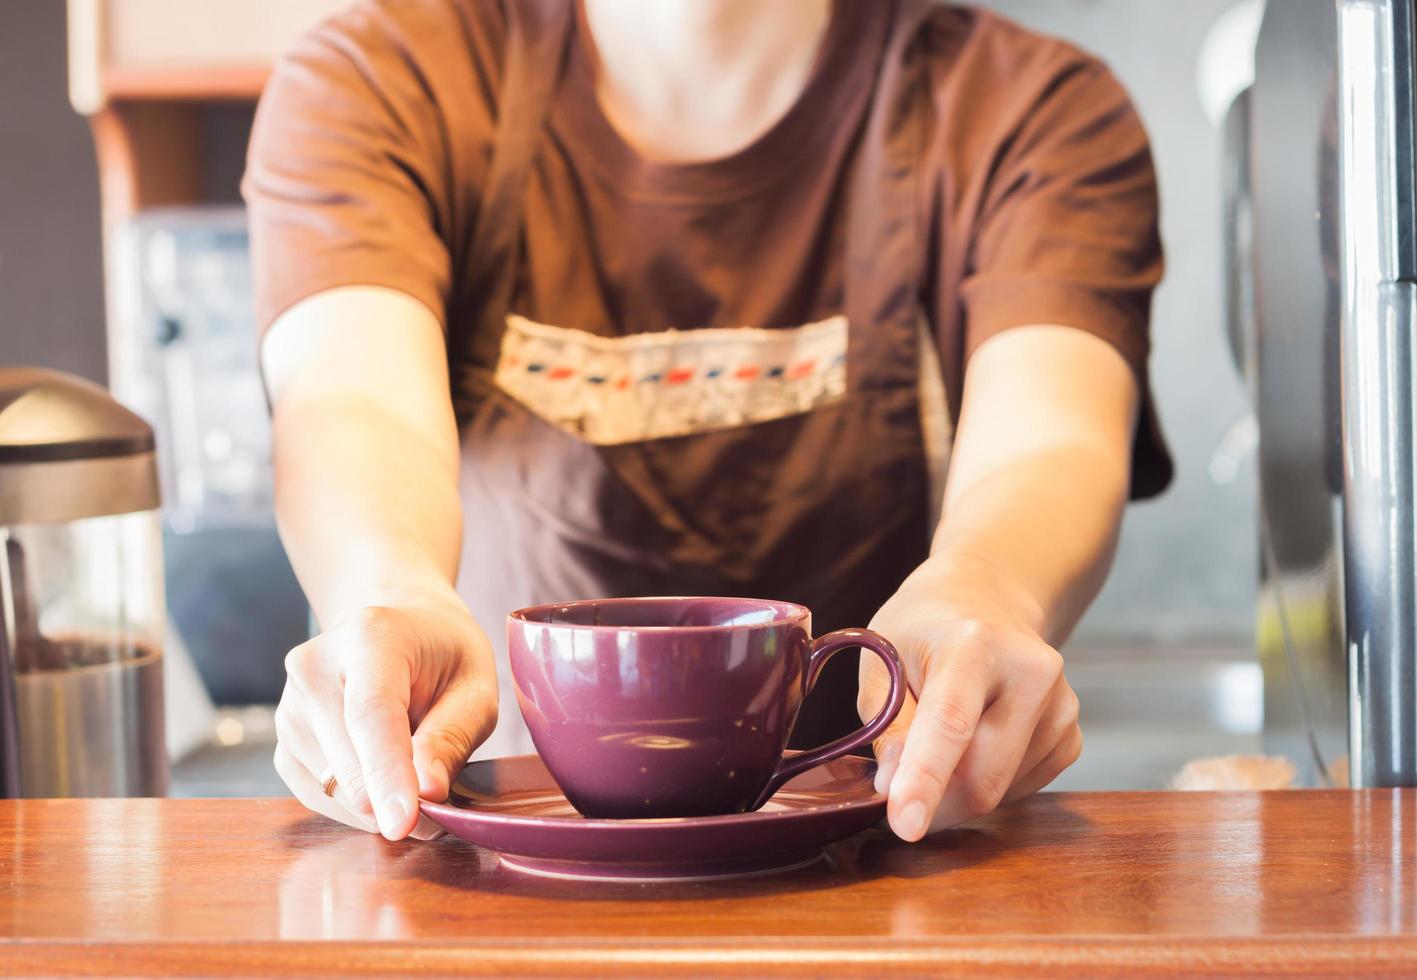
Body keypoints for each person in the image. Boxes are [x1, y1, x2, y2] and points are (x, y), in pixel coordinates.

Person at [244, 0, 1170, 843]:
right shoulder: (379, 79)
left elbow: (1050, 436)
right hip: (489, 872)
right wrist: (390, 591)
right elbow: (348, 401)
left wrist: (990, 591)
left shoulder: (1031, 110)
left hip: (891, 858)